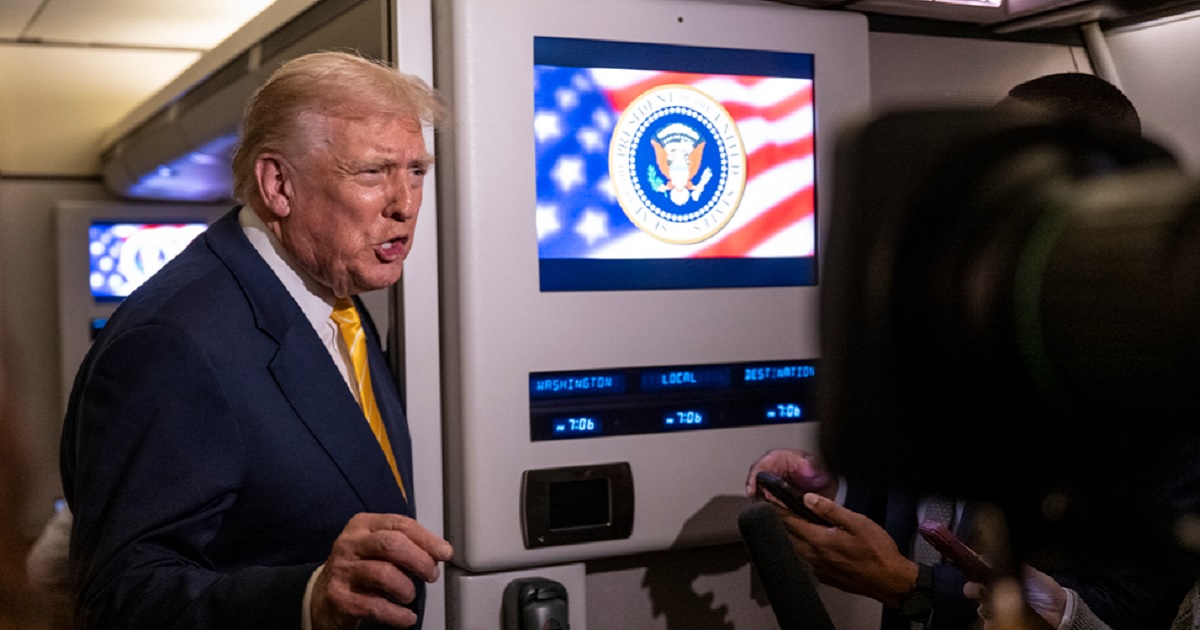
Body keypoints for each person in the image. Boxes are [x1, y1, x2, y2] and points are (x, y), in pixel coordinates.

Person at [745, 72, 1191, 630]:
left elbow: (1135, 610)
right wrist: (830, 489)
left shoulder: (1154, 406)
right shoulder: (961, 347)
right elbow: (918, 500)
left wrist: (911, 586)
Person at [60, 51, 452, 630]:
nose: (406, 204)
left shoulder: (337, 294)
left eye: (416, 170)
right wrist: (307, 598)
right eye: (373, 172)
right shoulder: (172, 343)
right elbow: (120, 598)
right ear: (277, 184)